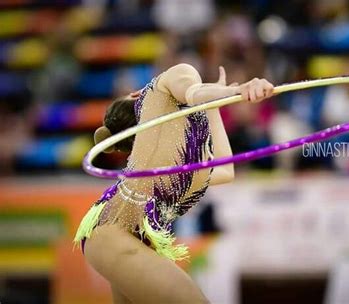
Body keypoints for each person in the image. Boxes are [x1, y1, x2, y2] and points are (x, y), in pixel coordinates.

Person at [74, 63, 274, 304]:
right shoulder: (174, 78)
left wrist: (216, 106)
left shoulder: (184, 157)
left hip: (123, 239)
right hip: (114, 234)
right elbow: (194, 93)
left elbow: (225, 168)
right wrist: (238, 91)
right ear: (140, 96)